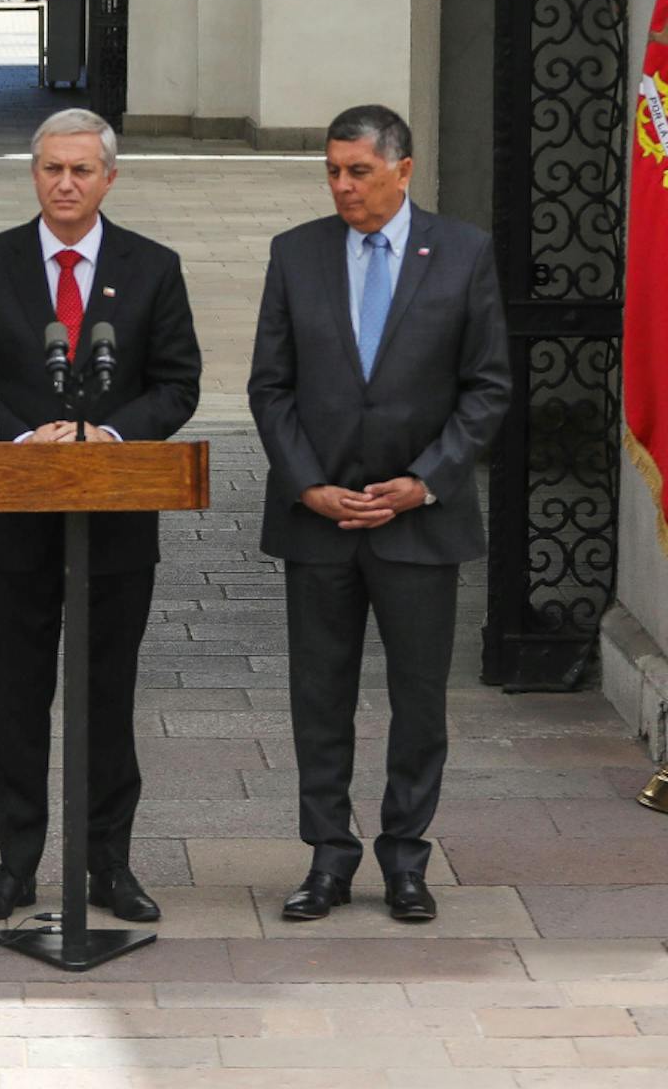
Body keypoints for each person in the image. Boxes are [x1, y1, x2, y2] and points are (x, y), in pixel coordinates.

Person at [0, 108, 201, 925]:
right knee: (14, 699)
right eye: (52, 168)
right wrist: (20, 437)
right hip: (15, 520)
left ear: (109, 177)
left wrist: (109, 435)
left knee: (105, 697)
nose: (66, 183)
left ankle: (106, 863)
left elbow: (178, 383)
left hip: (115, 519)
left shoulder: (152, 267)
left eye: (83, 170)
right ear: (34, 173)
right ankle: (15, 864)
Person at [247, 104, 510, 925]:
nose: (342, 187)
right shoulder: (296, 254)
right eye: (331, 171)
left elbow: (488, 386)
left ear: (403, 168)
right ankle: (328, 856)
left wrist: (425, 481)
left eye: (358, 171)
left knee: (419, 698)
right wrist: (306, 483)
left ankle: (405, 858)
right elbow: (271, 386)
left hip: (417, 522)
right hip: (319, 518)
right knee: (319, 694)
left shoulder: (462, 253)